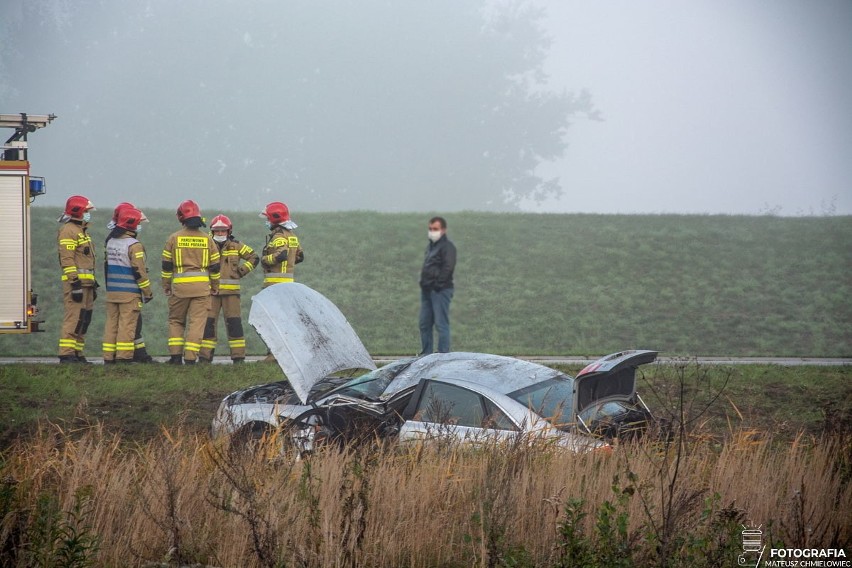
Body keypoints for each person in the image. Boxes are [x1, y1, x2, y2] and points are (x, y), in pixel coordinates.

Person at [161, 200, 221, 365]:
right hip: (202, 289)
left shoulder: (173, 238)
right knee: (197, 323)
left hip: (180, 288)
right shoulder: (207, 240)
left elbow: (166, 266)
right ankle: (190, 358)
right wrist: (215, 287)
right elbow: (215, 267)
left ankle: (175, 357)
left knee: (176, 321)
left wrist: (166, 285)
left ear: (181, 217)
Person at [198, 214, 259, 364]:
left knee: (234, 325)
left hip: (231, 294)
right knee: (208, 325)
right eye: (217, 231)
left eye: (223, 231)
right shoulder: (205, 245)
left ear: (229, 231)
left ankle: (238, 358)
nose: (220, 234)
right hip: (211, 292)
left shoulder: (237, 246)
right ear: (212, 231)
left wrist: (242, 271)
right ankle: (205, 358)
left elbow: (254, 257)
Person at [102, 206, 153, 364]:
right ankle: (124, 358)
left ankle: (109, 358)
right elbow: (139, 271)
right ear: (132, 224)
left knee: (112, 325)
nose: (140, 226)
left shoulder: (111, 242)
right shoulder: (134, 245)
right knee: (127, 326)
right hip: (129, 293)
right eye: (139, 223)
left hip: (112, 292)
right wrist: (147, 292)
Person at [57, 195, 97, 363]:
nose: (89, 214)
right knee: (73, 318)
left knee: (83, 319)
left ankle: (78, 353)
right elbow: (67, 259)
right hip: (77, 284)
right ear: (78, 212)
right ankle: (67, 354)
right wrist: (75, 283)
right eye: (87, 211)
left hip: (86, 284)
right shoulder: (69, 231)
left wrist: (93, 284)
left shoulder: (81, 231)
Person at [419, 216, 456, 355]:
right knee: (424, 324)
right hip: (427, 291)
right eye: (430, 229)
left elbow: (448, 267)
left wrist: (438, 285)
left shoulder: (448, 247)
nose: (432, 231)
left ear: (443, 230)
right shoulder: (430, 247)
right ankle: (425, 355)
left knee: (441, 324)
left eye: (435, 229)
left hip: (440, 290)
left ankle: (442, 356)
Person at [259, 201, 303, 288]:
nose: (267, 222)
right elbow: (300, 256)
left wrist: (265, 259)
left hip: (275, 284)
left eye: (268, 219)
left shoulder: (279, 236)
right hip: (289, 282)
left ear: (274, 219)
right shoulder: (292, 235)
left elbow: (281, 255)